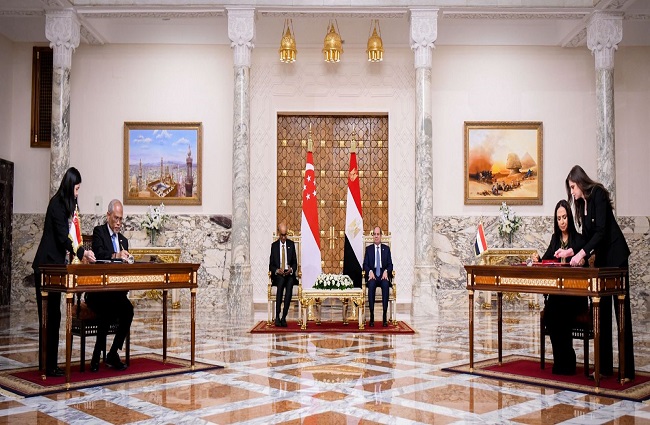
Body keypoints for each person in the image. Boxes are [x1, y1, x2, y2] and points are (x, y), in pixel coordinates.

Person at [566, 165, 635, 381]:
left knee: (621, 313)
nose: (572, 192)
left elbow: (602, 232)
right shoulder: (582, 205)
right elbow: (587, 239)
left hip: (616, 257)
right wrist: (571, 251)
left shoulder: (598, 194)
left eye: (573, 187)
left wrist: (583, 253)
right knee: (602, 313)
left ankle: (627, 370)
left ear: (580, 182)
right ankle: (604, 368)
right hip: (603, 262)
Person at [32, 167, 96, 377]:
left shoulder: (67, 204)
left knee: (55, 315)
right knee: (48, 316)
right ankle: (47, 365)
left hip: (55, 266)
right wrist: (82, 252)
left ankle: (50, 363)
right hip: (46, 266)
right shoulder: (57, 205)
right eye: (76, 189)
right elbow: (62, 238)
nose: (77, 193)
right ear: (69, 186)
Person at [533, 199, 587, 375]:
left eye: (564, 217)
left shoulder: (579, 240)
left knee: (560, 314)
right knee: (550, 314)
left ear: (569, 218)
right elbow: (546, 259)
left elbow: (585, 262)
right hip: (558, 294)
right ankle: (560, 360)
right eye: (559, 218)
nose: (562, 221)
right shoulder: (555, 239)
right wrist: (538, 259)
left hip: (575, 295)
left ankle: (568, 360)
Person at [86, 199, 134, 372]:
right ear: (108, 216)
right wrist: (116, 255)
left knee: (128, 310)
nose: (119, 223)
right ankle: (95, 356)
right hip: (98, 292)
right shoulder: (99, 232)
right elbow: (99, 255)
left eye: (121, 219)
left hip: (115, 293)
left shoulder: (123, 241)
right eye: (116, 218)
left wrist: (127, 261)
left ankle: (113, 353)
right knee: (106, 311)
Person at [362, 226, 393, 327]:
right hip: (373, 275)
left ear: (381, 236)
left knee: (385, 284)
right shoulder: (369, 249)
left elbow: (390, 265)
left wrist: (386, 271)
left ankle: (384, 316)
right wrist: (370, 271)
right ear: (373, 236)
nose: (376, 236)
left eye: (378, 234)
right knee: (371, 285)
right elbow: (365, 264)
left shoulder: (386, 249)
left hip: (383, 274)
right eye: (374, 234)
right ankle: (372, 315)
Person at [268, 223, 297, 327]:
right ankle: (277, 316)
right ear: (279, 234)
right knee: (280, 283)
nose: (284, 237)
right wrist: (277, 270)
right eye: (282, 235)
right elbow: (271, 265)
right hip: (278, 275)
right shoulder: (274, 246)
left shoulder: (291, 244)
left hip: (288, 274)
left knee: (289, 285)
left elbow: (295, 263)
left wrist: (291, 269)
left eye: (285, 235)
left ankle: (284, 316)